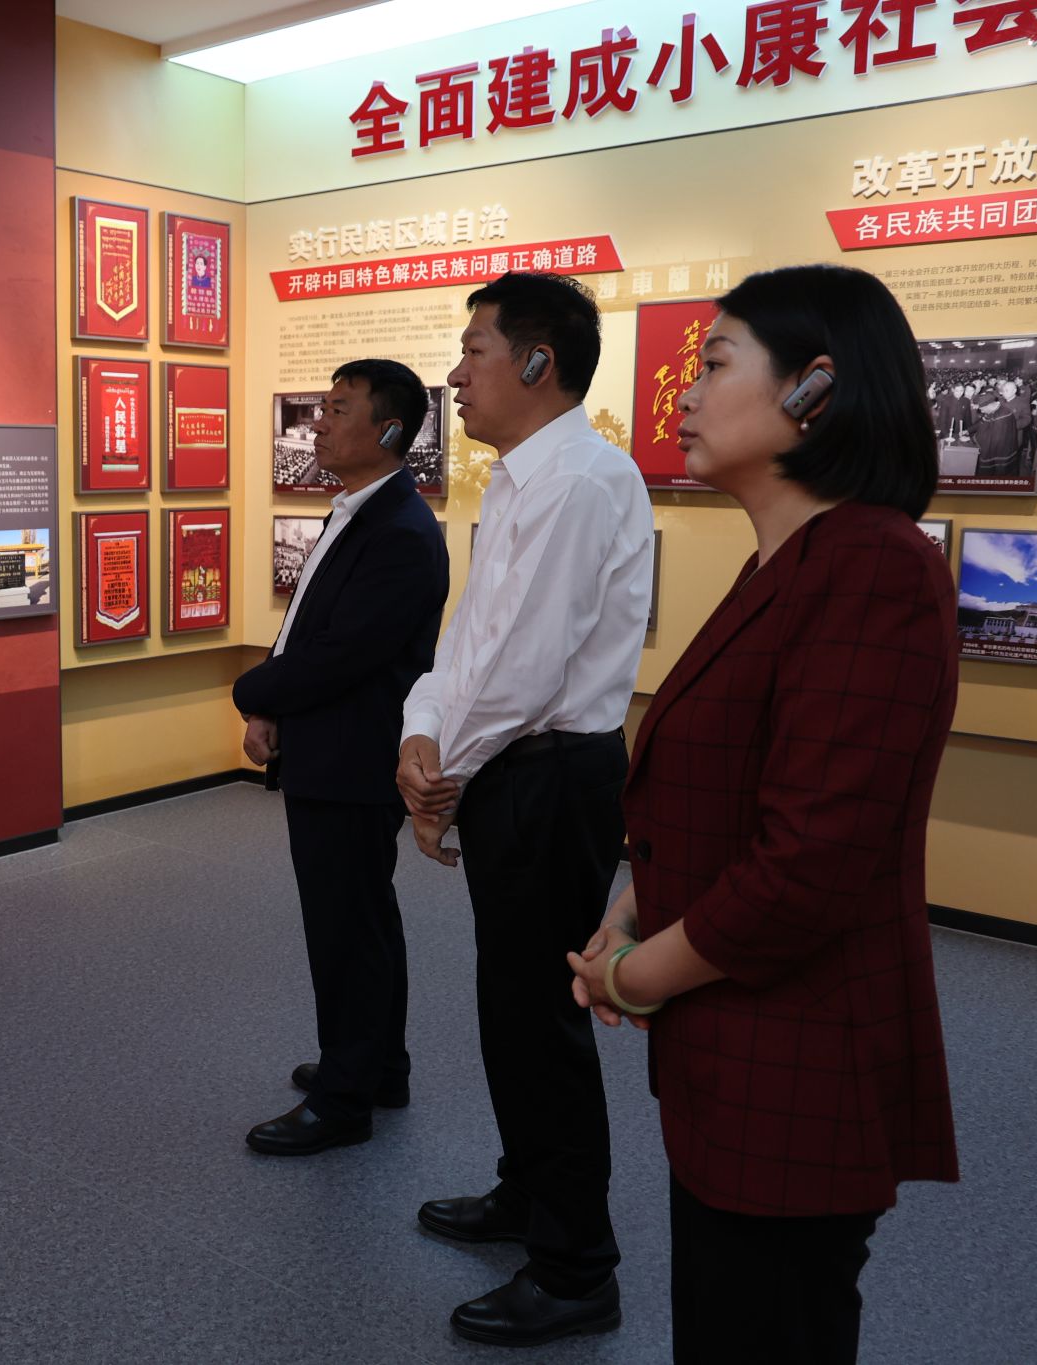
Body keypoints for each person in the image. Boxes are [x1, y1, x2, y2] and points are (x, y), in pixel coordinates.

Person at [567, 264, 959, 1365]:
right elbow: (739, 793)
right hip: (735, 1043)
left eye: (713, 363)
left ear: (813, 388)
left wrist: (630, 976)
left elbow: (808, 866)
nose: (684, 394)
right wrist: (635, 905)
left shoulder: (872, 567)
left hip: (799, 1058)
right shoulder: (788, 561)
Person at [395, 272, 653, 1349]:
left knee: (542, 1020)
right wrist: (420, 735)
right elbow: (469, 641)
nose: (455, 375)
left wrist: (437, 781)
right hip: (505, 765)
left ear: (538, 362)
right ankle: (527, 1192)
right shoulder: (517, 479)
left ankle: (576, 1265)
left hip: (548, 775)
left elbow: (526, 670)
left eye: (474, 350)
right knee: (509, 1004)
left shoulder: (580, 482)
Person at [232, 359, 450, 1155]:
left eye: (336, 409)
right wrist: (271, 703)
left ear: (388, 429)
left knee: (345, 927)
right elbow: (307, 630)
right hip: (332, 747)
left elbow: (340, 655)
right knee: (362, 914)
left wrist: (251, 689)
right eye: (320, 407)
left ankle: (343, 1099)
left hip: (355, 757)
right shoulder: (357, 511)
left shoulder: (399, 532)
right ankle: (376, 1065)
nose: (316, 423)